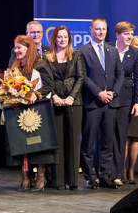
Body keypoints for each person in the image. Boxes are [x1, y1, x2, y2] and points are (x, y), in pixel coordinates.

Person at [78, 17, 124, 189]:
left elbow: (120, 75)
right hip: (93, 103)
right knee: (88, 142)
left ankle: (105, 176)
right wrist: (98, 93)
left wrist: (114, 92)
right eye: (97, 29)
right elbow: (83, 77)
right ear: (90, 30)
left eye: (103, 29)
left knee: (107, 141)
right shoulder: (82, 51)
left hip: (110, 103)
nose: (100, 32)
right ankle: (90, 177)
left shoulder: (112, 50)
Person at [9, 35, 53, 192]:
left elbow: (49, 85)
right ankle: (25, 177)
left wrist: (37, 94)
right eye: (15, 47)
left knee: (38, 145)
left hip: (38, 111)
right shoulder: (15, 66)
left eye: (20, 47)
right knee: (22, 145)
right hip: (19, 111)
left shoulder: (40, 64)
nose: (16, 50)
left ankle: (41, 177)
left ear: (29, 48)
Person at [43, 25, 83, 190]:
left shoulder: (77, 55)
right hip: (55, 102)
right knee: (57, 142)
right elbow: (46, 80)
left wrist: (71, 97)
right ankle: (58, 181)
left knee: (73, 141)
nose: (62, 40)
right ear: (54, 39)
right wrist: (55, 96)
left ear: (69, 39)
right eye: (59, 37)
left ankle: (72, 181)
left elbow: (80, 78)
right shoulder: (46, 57)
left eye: (65, 37)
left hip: (74, 102)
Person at [113, 22, 138, 185]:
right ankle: (104, 172)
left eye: (131, 34)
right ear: (117, 35)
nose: (130, 37)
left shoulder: (135, 52)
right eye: (126, 33)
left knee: (121, 136)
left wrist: (137, 102)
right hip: (108, 98)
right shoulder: (109, 49)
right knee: (107, 136)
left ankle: (118, 174)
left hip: (126, 99)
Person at [123, 36, 138, 184]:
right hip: (125, 101)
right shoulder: (125, 59)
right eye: (136, 45)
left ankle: (131, 170)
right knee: (125, 138)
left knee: (135, 138)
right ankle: (122, 171)